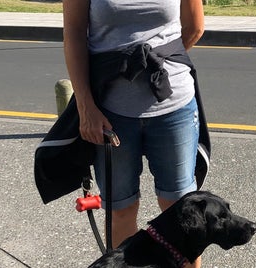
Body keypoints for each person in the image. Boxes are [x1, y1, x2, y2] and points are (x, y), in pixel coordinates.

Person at [62, 0, 206, 267]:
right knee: (121, 211)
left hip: (174, 107)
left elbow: (195, 27)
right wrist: (85, 106)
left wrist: (151, 62)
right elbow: (73, 34)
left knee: (183, 213)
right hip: (110, 112)